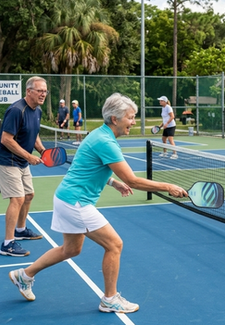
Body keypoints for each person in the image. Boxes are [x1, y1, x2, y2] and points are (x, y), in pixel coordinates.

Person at [8, 93, 188, 313]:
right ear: (115, 119)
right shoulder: (106, 142)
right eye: (130, 118)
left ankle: (24, 275)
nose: (133, 122)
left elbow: (87, 167)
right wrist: (169, 187)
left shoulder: (98, 134)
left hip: (66, 198)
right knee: (114, 244)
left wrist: (112, 182)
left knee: (70, 249)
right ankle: (110, 299)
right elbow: (132, 180)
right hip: (76, 203)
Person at [0, 76, 47, 257]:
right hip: (8, 160)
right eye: (39, 91)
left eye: (45, 91)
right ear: (29, 91)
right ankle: (8, 244)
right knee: (17, 198)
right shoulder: (16, 110)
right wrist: (29, 156)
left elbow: (34, 133)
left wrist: (42, 150)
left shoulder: (37, 110)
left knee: (29, 195)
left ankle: (20, 230)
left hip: (22, 161)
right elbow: (6, 139)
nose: (43, 94)